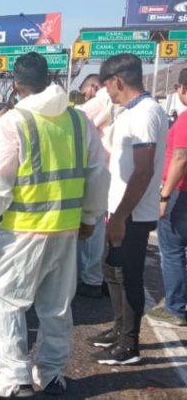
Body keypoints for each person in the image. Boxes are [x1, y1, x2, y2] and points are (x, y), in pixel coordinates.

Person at [0, 52, 108, 397]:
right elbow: (98, 174)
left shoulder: (13, 122)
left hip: (24, 231)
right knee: (56, 305)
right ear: (50, 79)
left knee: (3, 299)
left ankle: (13, 378)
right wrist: (90, 217)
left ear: (15, 85)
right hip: (65, 231)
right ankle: (52, 375)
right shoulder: (79, 121)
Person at [88, 53, 168, 365]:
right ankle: (119, 329)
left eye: (106, 85)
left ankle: (129, 344)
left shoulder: (144, 114)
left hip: (132, 212)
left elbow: (144, 171)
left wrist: (121, 215)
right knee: (111, 269)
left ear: (117, 80)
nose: (105, 91)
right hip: (121, 208)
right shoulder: (132, 112)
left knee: (128, 275)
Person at [75, 74, 124, 298]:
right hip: (108, 170)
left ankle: (90, 278)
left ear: (94, 86)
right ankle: (93, 276)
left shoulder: (99, 101)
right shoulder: (114, 103)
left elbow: (77, 123)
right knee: (96, 228)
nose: (85, 96)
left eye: (85, 92)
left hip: (96, 170)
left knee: (91, 228)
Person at [146, 68, 187, 327]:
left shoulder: (184, 120)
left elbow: (181, 157)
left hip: (180, 194)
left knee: (172, 251)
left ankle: (176, 307)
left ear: (182, 88)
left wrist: (163, 196)